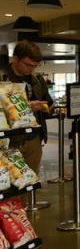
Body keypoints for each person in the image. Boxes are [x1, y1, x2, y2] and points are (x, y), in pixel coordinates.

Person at [1, 41, 53, 173]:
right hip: (8, 140)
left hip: (33, 139)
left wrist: (45, 107)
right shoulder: (2, 78)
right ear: (15, 59)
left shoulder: (37, 80)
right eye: (28, 65)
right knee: (9, 185)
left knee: (30, 182)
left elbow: (48, 103)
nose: (31, 69)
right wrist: (26, 107)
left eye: (35, 66)